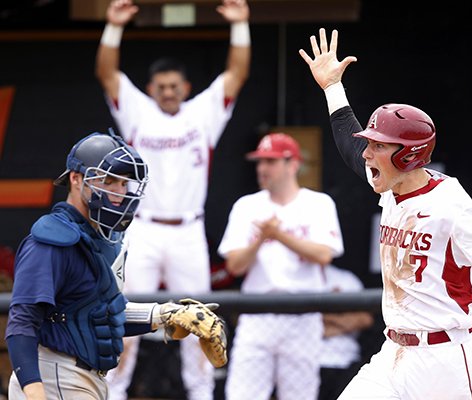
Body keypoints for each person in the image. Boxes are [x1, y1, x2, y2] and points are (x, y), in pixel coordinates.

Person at [299, 28, 472, 399]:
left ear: (408, 155)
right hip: (394, 352)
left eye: (378, 146)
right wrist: (333, 87)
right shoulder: (392, 186)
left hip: (446, 357)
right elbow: (350, 148)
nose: (367, 153)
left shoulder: (453, 207)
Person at [94, 0, 251, 398]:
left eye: (174, 86)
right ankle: (115, 391)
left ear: (185, 87)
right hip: (142, 229)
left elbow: (236, 73)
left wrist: (241, 25)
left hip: (188, 229)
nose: (167, 92)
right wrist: (113, 27)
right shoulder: (138, 112)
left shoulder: (202, 113)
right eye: (161, 87)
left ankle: (200, 393)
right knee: (125, 316)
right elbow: (107, 74)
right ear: (151, 89)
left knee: (200, 317)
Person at [5, 132, 219, 399]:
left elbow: (100, 314)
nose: (118, 191)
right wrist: (34, 393)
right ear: (76, 179)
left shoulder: (105, 237)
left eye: (123, 182)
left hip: (86, 379)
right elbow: (22, 324)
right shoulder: (51, 240)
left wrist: (165, 315)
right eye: (107, 180)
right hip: (54, 377)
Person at [217, 132, 345, 400]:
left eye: (271, 162)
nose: (262, 168)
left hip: (302, 312)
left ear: (292, 164)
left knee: (299, 395)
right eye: (260, 162)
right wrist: (261, 239)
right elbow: (234, 266)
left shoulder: (318, 203)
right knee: (242, 395)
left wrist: (280, 235)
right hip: (257, 311)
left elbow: (324, 255)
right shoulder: (247, 205)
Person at [319, 264, 374, 400]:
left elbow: (364, 319)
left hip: (345, 361)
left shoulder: (347, 279)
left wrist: (322, 313)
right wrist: (339, 311)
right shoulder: (294, 279)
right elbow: (297, 321)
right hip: (308, 361)